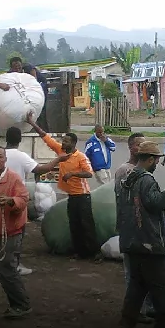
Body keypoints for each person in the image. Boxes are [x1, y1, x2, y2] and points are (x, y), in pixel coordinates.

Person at [116, 141, 165, 328]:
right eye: (156, 160)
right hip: (148, 241)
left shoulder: (127, 177)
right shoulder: (146, 180)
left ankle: (127, 322)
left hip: (132, 240)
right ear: (149, 160)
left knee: (137, 286)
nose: (157, 164)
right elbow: (157, 203)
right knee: (162, 285)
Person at [0, 126, 70, 275]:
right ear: (20, 140)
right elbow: (41, 169)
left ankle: (1, 262)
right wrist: (58, 159)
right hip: (15, 198)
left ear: (6, 139)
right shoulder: (20, 156)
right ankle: (14, 265)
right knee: (17, 232)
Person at [26, 111, 101, 260]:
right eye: (63, 141)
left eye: (66, 141)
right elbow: (44, 136)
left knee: (87, 225)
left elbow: (89, 174)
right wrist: (31, 123)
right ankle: (80, 252)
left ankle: (95, 253)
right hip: (72, 196)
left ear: (73, 143)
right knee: (74, 225)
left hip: (82, 196)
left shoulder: (80, 157)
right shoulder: (60, 151)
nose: (63, 143)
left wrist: (72, 174)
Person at [0, 146, 31, 319]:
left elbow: (24, 198)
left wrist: (12, 201)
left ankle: (22, 305)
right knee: (2, 268)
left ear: (5, 159)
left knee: (7, 268)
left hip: (11, 231)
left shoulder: (13, 178)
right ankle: (17, 304)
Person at [114, 132, 155, 324]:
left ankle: (147, 308)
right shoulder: (125, 171)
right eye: (140, 144)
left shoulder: (145, 171)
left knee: (146, 270)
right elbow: (123, 201)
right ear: (132, 148)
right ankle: (135, 312)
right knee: (133, 272)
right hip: (131, 228)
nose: (143, 147)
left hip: (142, 228)